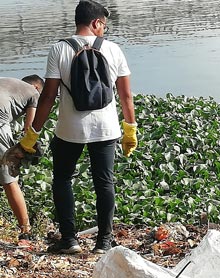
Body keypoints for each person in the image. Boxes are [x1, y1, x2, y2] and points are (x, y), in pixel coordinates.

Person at [18, 0, 137, 254]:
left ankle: (69, 240)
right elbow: (126, 96)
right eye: (103, 25)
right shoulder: (114, 49)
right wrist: (130, 129)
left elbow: (48, 97)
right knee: (104, 182)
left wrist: (33, 134)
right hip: (106, 130)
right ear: (95, 23)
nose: (104, 30)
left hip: (69, 129)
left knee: (62, 180)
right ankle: (103, 242)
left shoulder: (59, 49)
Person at [0, 75, 44, 240]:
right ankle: (26, 230)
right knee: (9, 179)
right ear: (37, 88)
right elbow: (29, 129)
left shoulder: (8, 82)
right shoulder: (34, 93)